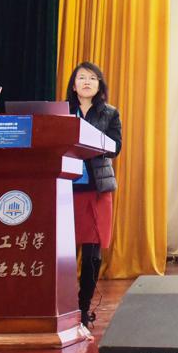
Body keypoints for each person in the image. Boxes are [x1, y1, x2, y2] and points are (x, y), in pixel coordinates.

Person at [65, 61, 122, 328]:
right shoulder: (62, 112)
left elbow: (115, 147)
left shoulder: (109, 113)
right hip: (66, 188)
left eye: (92, 78)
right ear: (73, 85)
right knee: (64, 252)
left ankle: (83, 307)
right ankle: (62, 307)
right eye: (81, 78)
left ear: (99, 85)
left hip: (96, 190)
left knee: (91, 253)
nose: (86, 82)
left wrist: (90, 141)